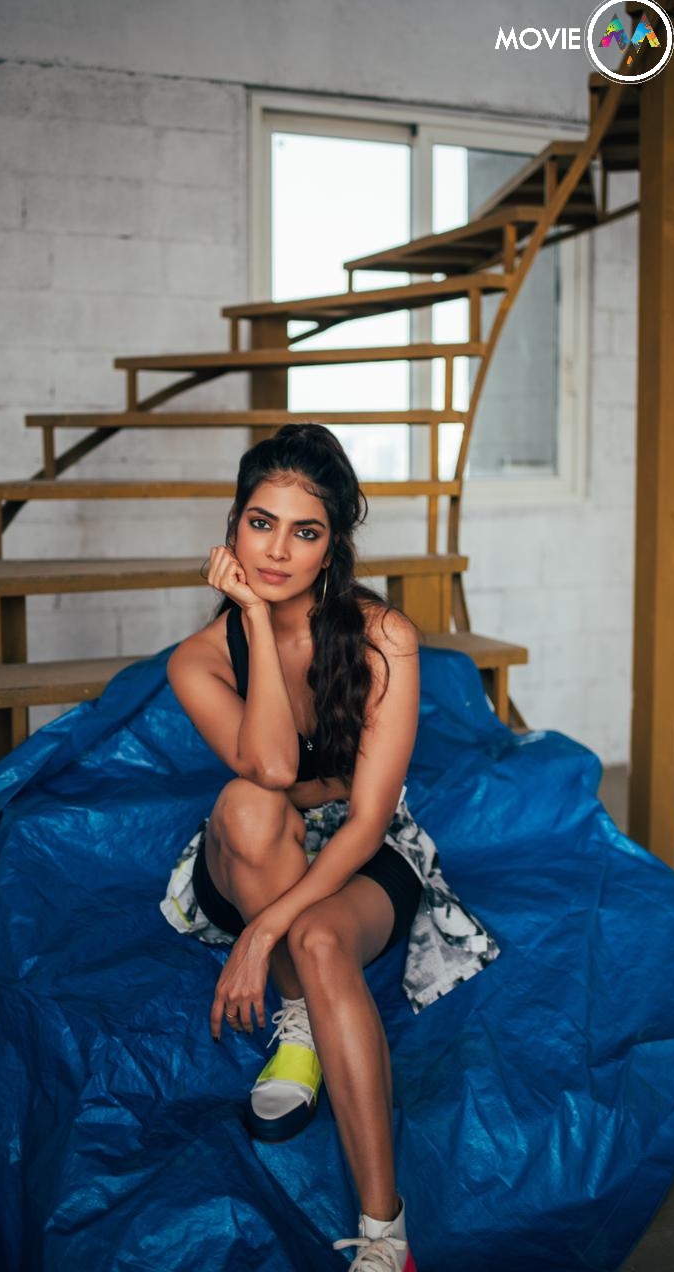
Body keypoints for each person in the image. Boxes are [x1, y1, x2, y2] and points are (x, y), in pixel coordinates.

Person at [159, 423, 499, 1272]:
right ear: (233, 528)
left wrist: (264, 931)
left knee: (315, 938)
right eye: (260, 523)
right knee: (247, 805)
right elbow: (274, 769)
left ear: (332, 546)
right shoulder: (200, 658)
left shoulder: (384, 637)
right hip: (260, 846)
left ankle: (386, 1238)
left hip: (360, 846)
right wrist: (251, 616)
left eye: (304, 531)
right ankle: (301, 1018)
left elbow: (366, 818)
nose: (277, 551)